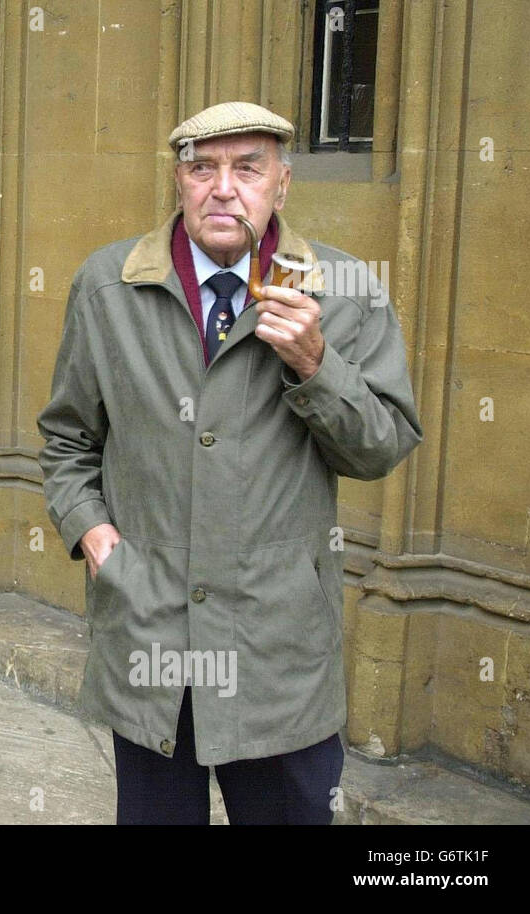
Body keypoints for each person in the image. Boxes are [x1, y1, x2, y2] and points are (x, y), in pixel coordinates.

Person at [36, 101, 422, 824]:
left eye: (247, 168)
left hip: (275, 646)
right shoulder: (107, 286)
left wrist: (317, 365)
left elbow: (382, 446)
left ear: (281, 183)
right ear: (178, 182)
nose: (223, 187)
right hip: (152, 634)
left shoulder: (345, 292)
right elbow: (67, 439)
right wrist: (92, 534)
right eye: (202, 168)